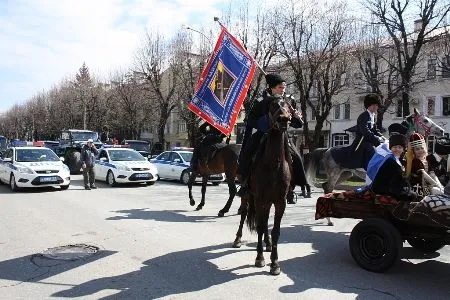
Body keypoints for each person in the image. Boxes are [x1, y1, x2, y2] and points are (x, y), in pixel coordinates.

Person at [237, 73, 308, 199]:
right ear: (272, 88)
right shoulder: (260, 101)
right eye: (280, 87)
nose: (283, 89)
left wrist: (296, 118)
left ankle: (292, 187)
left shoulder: (289, 101)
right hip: (263, 134)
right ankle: (245, 185)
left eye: (284, 87)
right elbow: (250, 120)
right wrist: (265, 122)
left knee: (296, 158)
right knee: (247, 153)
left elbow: (297, 125)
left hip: (283, 136)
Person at [331, 93, 385, 170]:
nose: (375, 107)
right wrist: (376, 138)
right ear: (368, 105)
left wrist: (382, 137)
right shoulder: (363, 116)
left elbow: (375, 130)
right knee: (372, 151)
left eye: (376, 105)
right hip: (362, 142)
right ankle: (370, 169)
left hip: (370, 140)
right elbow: (365, 131)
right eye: (373, 105)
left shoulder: (373, 116)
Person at [365, 133, 417, 202]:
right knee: (413, 195)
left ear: (403, 149)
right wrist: (408, 189)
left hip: (386, 187)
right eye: (395, 147)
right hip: (385, 189)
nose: (397, 149)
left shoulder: (393, 159)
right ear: (391, 148)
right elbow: (400, 179)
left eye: (400, 147)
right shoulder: (390, 161)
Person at [406, 132, 444, 197]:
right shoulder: (415, 161)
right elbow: (424, 175)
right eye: (417, 149)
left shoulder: (426, 159)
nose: (420, 150)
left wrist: (440, 185)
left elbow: (432, 174)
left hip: (428, 183)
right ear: (413, 151)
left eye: (422, 148)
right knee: (437, 191)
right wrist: (436, 185)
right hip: (418, 186)